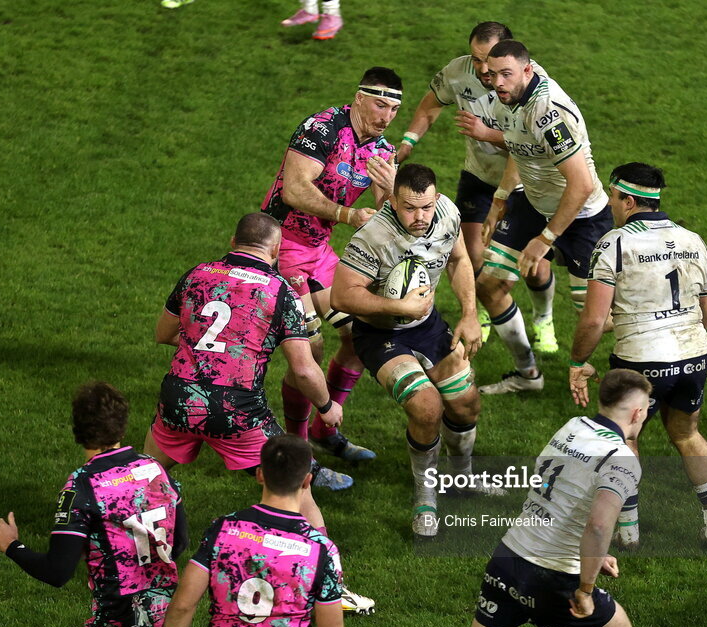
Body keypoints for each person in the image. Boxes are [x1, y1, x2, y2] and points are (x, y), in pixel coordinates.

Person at [383, 369, 649, 627]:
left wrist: (591, 552)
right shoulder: (621, 457)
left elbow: (558, 497)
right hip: (553, 577)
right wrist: (585, 588)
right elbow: (598, 524)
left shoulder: (572, 427)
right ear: (638, 413)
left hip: (508, 558)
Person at [144, 212, 375, 614]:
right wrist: (327, 406)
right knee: (297, 488)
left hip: (179, 399)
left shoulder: (197, 274)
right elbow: (304, 370)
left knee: (148, 477)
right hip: (237, 411)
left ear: (233, 241)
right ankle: (334, 587)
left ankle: (134, 561)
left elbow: (163, 333)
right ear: (276, 249)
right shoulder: (279, 290)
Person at [0, 382, 184, 627]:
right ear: (121, 424)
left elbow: (57, 572)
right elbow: (179, 542)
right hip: (166, 624)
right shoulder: (155, 469)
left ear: (77, 429)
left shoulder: (83, 486)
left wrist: (12, 546)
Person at [570, 162, 707, 549]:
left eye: (614, 197)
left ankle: (628, 531)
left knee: (625, 438)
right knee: (687, 434)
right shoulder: (693, 240)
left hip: (641, 361)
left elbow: (593, 320)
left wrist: (578, 361)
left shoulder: (613, 244)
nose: (610, 204)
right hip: (694, 355)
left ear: (629, 201)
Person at [147, 435, 348, 627]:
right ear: (307, 481)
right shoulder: (321, 550)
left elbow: (184, 604)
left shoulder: (222, 530)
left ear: (260, 474)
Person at [329, 163, 487, 537]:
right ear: (393, 202)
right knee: (426, 407)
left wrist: (469, 314)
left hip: (427, 326)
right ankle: (425, 498)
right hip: (379, 332)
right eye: (410, 208)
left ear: (436, 198)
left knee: (466, 403)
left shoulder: (447, 212)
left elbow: (459, 259)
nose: (420, 217)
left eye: (426, 206)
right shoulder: (373, 237)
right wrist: (399, 307)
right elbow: (342, 296)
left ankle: (461, 479)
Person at [262, 67, 400, 470]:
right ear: (359, 98)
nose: (386, 116)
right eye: (380, 105)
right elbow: (294, 189)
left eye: (393, 109)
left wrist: (391, 189)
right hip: (281, 246)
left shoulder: (382, 149)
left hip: (319, 250)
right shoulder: (321, 129)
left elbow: (388, 214)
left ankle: (325, 429)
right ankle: (299, 450)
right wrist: (346, 214)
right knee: (311, 348)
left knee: (360, 336)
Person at [461, 39, 613, 395]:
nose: (497, 82)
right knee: (489, 285)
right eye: (492, 73)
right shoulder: (511, 96)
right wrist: (500, 199)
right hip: (533, 201)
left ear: (528, 70)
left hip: (581, 216)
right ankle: (528, 374)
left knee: (597, 317)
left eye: (506, 74)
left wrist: (545, 239)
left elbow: (581, 184)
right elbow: (520, 146)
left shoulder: (548, 114)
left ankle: (656, 332)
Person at [396, 22, 554, 349]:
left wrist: (487, 134)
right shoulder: (458, 73)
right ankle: (483, 309)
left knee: (535, 268)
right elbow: (430, 102)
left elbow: (535, 145)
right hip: (479, 177)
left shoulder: (532, 85)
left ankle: (544, 318)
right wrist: (409, 141)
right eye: (476, 59)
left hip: (527, 183)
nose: (482, 69)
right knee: (472, 255)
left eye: (489, 60)